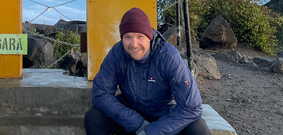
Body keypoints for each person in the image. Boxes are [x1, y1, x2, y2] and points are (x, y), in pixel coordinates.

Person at [85, 7, 210, 135]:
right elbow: (100, 93)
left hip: (165, 117)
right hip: (130, 116)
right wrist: (137, 124)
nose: (134, 44)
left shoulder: (169, 57)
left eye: (140, 36)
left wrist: (152, 132)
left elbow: (191, 107)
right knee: (94, 117)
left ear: (149, 37)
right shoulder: (116, 53)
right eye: (128, 37)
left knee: (198, 128)